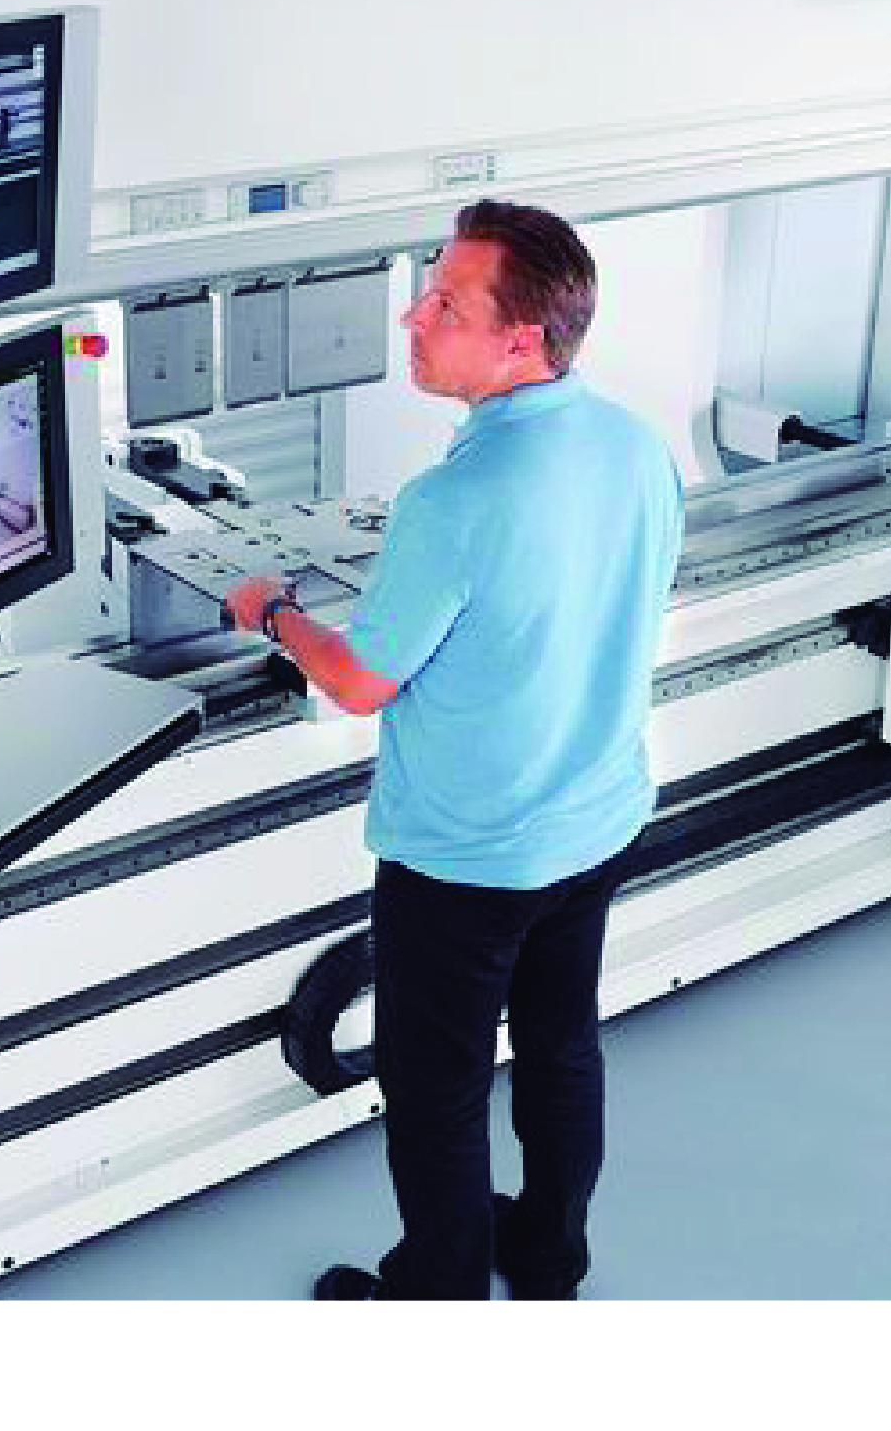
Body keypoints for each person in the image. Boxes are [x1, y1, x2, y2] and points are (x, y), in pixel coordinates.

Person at [223, 200, 683, 1300]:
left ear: (520, 339)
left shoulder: (455, 499)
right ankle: (548, 1259)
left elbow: (357, 681)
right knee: (560, 1048)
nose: (412, 317)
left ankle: (433, 1298)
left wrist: (269, 611)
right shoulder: (633, 442)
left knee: (435, 1088)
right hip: (596, 819)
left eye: (443, 304)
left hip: (468, 860)